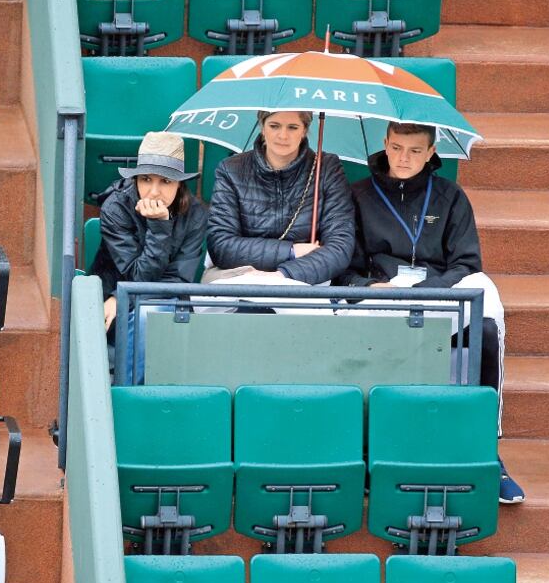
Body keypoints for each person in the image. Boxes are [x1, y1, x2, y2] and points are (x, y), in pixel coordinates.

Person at [336, 120, 524, 504]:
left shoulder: (451, 196)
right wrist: (368, 288)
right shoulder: (356, 195)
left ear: (432, 152)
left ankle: (486, 448)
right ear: (385, 144)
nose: (405, 158)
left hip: (440, 290)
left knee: (486, 322)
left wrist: (425, 291)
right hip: (380, 294)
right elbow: (344, 267)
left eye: (416, 150)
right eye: (397, 148)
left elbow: (467, 263)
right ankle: (368, 452)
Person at [90, 132, 207, 381]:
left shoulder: (195, 214)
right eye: (145, 179)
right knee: (147, 315)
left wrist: (122, 299)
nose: (153, 192)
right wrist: (160, 227)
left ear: (180, 184)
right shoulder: (116, 208)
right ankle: (124, 396)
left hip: (165, 300)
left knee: (153, 314)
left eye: (165, 181)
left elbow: (179, 280)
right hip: (110, 306)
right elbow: (138, 275)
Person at [206, 111, 355, 286]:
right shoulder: (231, 169)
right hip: (240, 276)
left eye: (293, 127)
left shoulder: (326, 169)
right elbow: (221, 245)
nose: (283, 135)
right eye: (274, 126)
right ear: (262, 127)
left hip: (303, 279)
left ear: (305, 130)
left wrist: (284, 275)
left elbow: (340, 246)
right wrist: (290, 251)